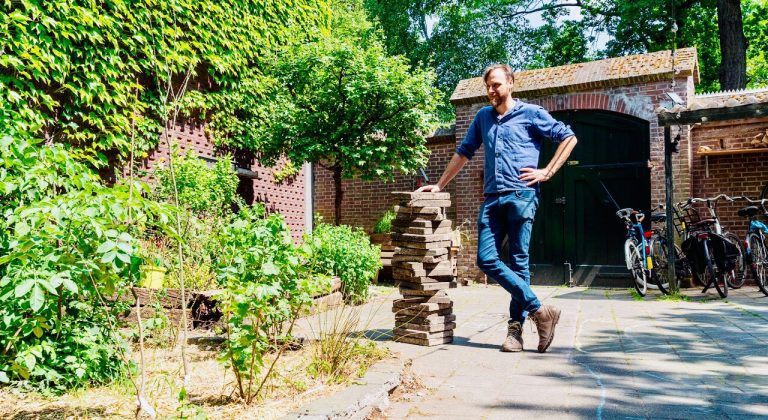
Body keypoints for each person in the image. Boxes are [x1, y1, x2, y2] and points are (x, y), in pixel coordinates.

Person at [417, 64, 578, 353]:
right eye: (488, 86)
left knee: (519, 262)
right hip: (492, 198)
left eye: (497, 85)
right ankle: (541, 312)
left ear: (511, 83)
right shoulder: (483, 117)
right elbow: (464, 152)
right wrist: (440, 185)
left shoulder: (530, 114)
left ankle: (514, 332)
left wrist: (547, 172)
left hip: (522, 196)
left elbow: (569, 137)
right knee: (486, 259)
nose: (492, 91)